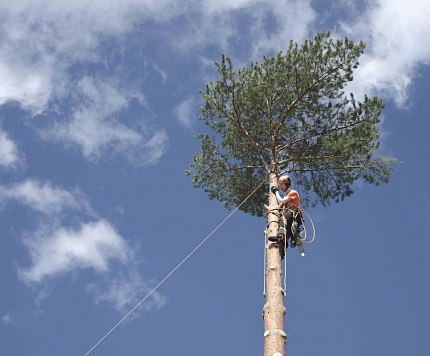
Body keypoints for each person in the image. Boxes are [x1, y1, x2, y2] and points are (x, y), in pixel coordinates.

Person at [268, 175, 303, 245]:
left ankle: (281, 236)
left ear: (287, 184)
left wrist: (276, 191)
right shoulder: (286, 195)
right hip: (290, 215)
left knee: (282, 218)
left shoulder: (293, 192)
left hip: (294, 212)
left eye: (282, 185)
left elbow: (282, 200)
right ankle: (285, 241)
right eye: (280, 185)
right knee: (287, 230)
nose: (281, 187)